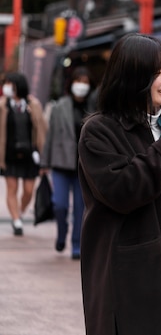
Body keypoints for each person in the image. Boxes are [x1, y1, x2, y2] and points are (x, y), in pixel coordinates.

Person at [77, 33, 161, 335]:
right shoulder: (99, 130)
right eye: (156, 72)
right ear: (131, 76)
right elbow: (122, 191)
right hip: (133, 271)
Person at [41, 66, 95, 259]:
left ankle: (76, 244)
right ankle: (61, 234)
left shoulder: (93, 107)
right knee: (59, 205)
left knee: (81, 208)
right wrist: (44, 163)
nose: (81, 85)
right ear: (71, 83)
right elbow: (50, 136)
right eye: (78, 81)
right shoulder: (59, 106)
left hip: (84, 166)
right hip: (61, 163)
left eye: (86, 82)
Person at [0, 72, 47, 236]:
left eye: (9, 84)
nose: (6, 87)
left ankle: (20, 211)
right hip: (9, 154)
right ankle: (16, 221)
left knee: (28, 190)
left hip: (30, 154)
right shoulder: (2, 105)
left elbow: (42, 130)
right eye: (5, 83)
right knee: (11, 188)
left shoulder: (33, 104)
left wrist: (44, 157)